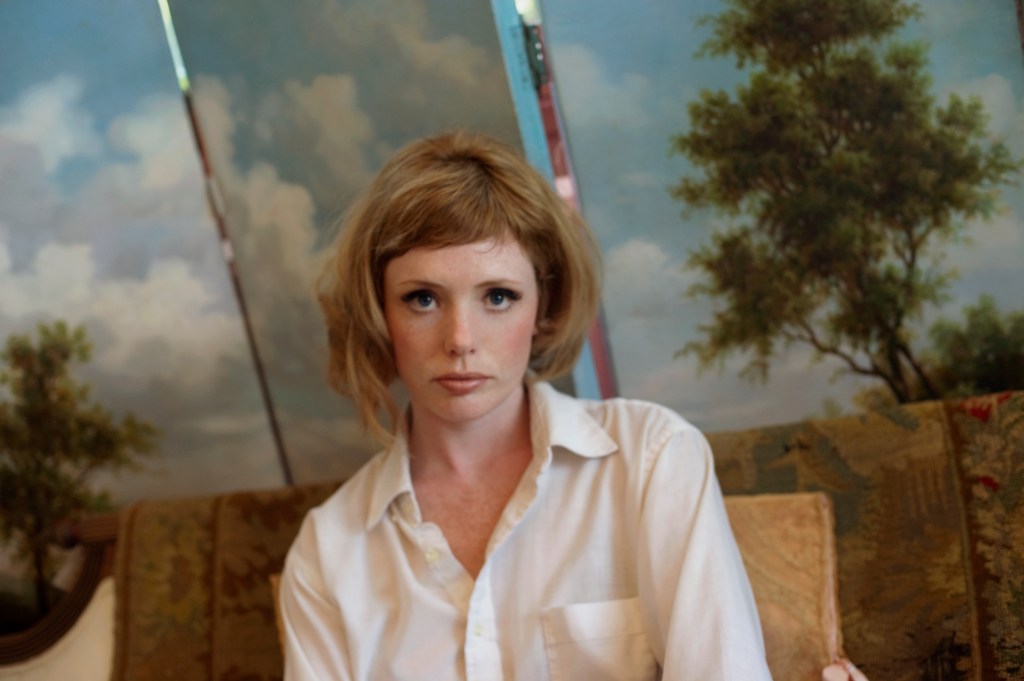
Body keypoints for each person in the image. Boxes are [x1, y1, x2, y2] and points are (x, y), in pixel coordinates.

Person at [279, 131, 773, 680]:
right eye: (423, 299)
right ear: (378, 316)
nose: (461, 339)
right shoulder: (327, 551)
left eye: (498, 297)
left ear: (544, 306)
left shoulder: (652, 458)